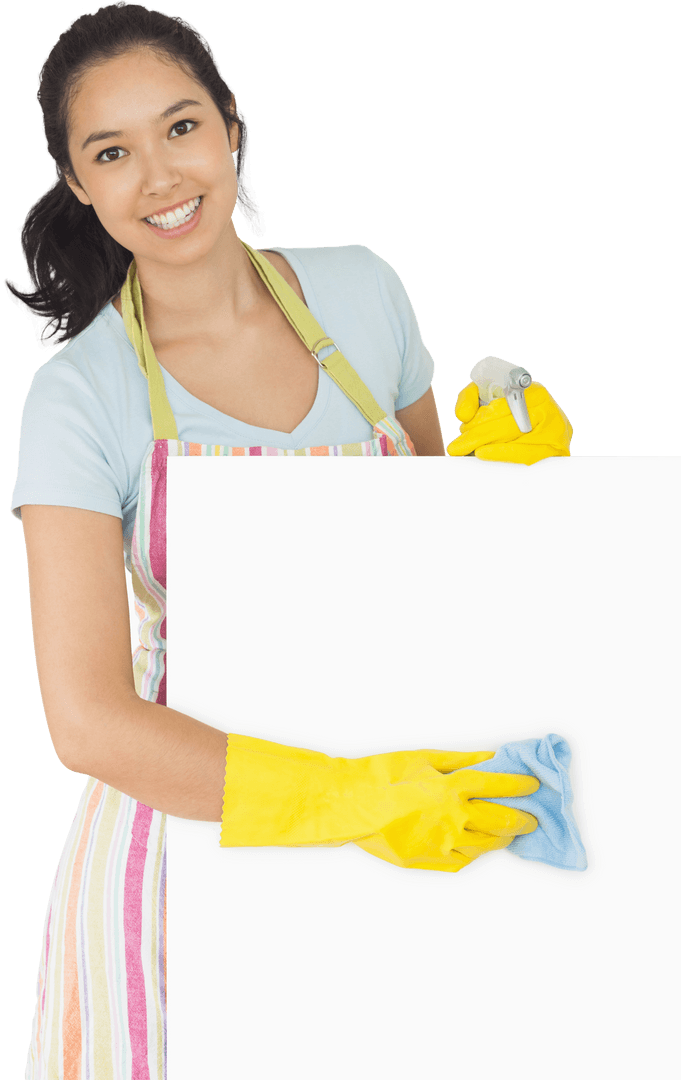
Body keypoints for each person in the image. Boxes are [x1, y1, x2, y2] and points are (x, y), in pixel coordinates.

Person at [6, 3, 572, 1076]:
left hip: (403, 834)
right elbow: (86, 723)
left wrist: (508, 485)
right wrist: (346, 799)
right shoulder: (78, 397)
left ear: (232, 123)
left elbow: (428, 554)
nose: (159, 178)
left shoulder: (364, 290)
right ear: (78, 183)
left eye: (181, 127)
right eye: (112, 153)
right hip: (182, 871)